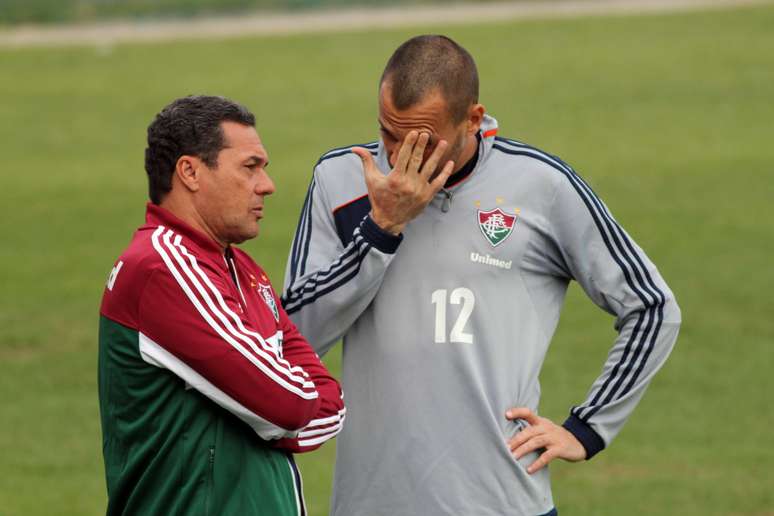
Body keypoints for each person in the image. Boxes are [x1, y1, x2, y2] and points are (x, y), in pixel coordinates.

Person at [282, 35, 681, 515]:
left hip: (502, 503)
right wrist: (383, 228)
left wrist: (587, 428)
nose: (399, 154)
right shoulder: (341, 180)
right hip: (372, 503)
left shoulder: (541, 186)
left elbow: (652, 306)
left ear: (472, 119)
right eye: (389, 133)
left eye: (423, 140)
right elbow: (295, 339)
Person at [98, 95, 344, 515]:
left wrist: (272, 418)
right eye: (250, 167)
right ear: (190, 171)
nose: (267, 184)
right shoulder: (163, 269)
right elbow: (293, 404)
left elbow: (330, 404)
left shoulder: (240, 269)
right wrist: (274, 417)